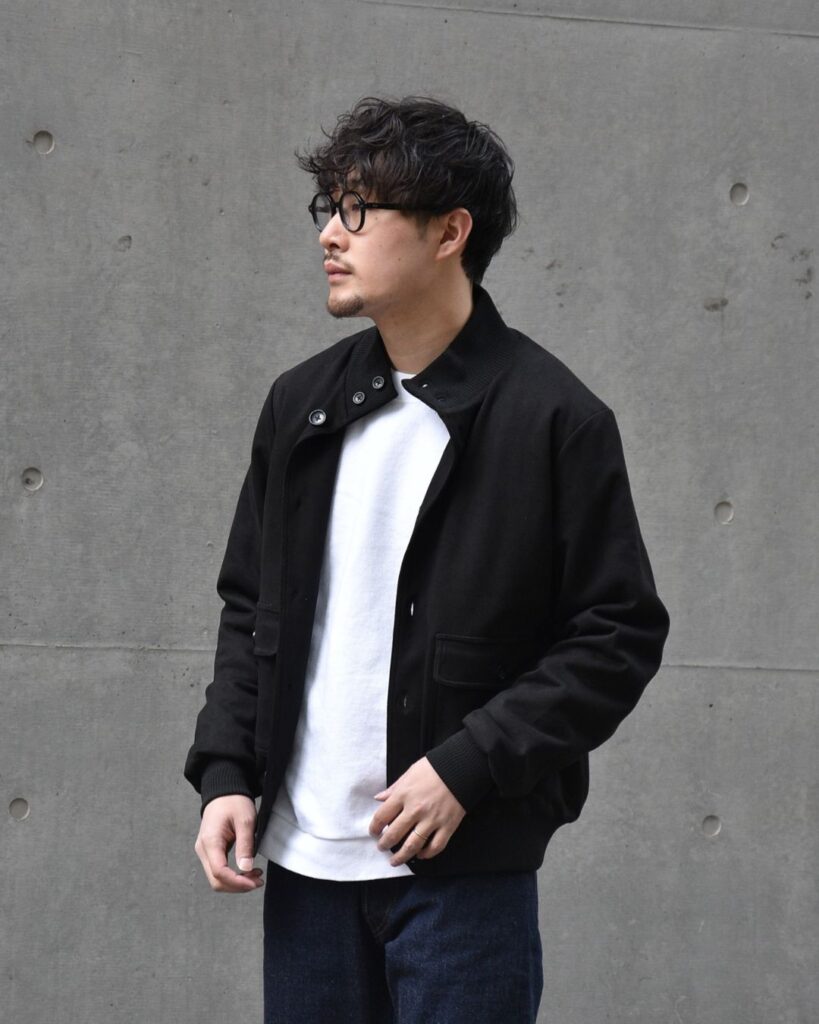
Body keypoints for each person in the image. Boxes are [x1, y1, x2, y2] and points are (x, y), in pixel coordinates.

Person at [184, 95, 670, 1024]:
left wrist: (468, 766)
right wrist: (226, 772)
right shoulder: (302, 406)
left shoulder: (552, 418)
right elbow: (250, 609)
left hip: (461, 879)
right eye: (328, 206)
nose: (330, 233)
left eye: (358, 209)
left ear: (450, 232)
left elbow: (615, 635)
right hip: (304, 869)